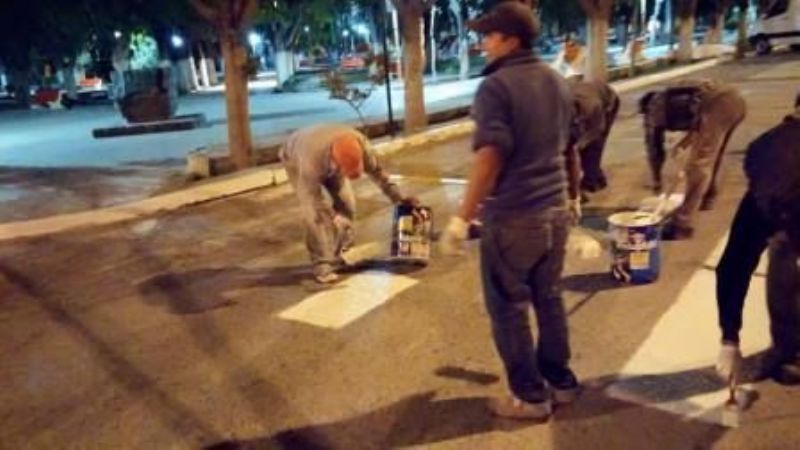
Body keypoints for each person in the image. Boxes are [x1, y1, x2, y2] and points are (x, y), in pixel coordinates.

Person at [440, 1, 580, 420]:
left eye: (489, 35)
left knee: (508, 308)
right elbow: (572, 148)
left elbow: (490, 155)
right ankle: (561, 382)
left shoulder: (496, 87)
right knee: (549, 298)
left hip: (516, 215)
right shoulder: (557, 81)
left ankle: (530, 398)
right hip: (556, 210)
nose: (483, 44)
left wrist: (462, 216)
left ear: (510, 39)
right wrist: (573, 198)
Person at [715, 96, 800, 385]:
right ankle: (788, 348)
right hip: (779, 197)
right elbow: (733, 266)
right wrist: (729, 339)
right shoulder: (765, 185)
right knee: (782, 257)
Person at [280, 124, 415, 284]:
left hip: (328, 155)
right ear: (337, 163)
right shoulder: (311, 162)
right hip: (296, 158)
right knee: (314, 214)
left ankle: (341, 255)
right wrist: (333, 216)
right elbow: (314, 198)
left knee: (347, 204)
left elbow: (379, 174)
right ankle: (322, 264)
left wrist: (399, 199)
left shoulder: (363, 147)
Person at [638, 79, 747, 239]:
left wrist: (657, 182)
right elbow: (697, 123)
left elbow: (654, 149)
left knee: (698, 164)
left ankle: (682, 224)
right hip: (735, 102)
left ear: (646, 109)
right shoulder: (671, 97)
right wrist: (684, 142)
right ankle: (708, 198)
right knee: (715, 155)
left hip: (716, 104)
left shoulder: (654, 108)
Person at [567, 78, 620, 194]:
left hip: (608, 102)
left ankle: (591, 181)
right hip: (585, 92)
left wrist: (578, 146)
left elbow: (597, 130)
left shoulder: (592, 106)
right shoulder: (559, 105)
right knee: (576, 147)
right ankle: (596, 176)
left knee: (594, 146)